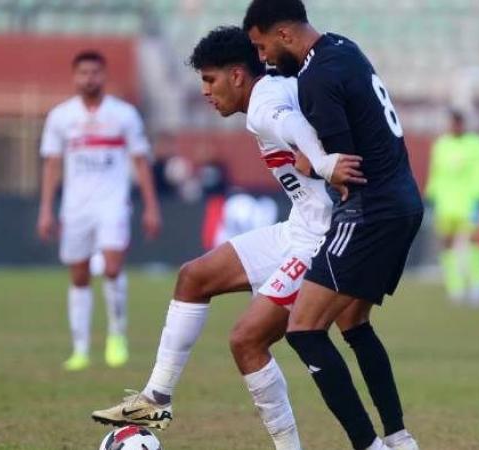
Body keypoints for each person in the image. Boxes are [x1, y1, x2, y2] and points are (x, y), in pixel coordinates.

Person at [92, 26, 365, 450]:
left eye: (209, 79)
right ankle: (154, 400)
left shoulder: (265, 103)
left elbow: (289, 121)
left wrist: (323, 163)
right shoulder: (275, 87)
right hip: (298, 227)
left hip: (320, 241)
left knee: (247, 341)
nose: (205, 91)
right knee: (194, 277)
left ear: (237, 76)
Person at [243, 1, 424, 449]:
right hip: (403, 202)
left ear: (284, 34)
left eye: (262, 45)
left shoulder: (315, 79)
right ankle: (399, 438)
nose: (263, 58)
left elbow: (343, 165)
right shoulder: (345, 48)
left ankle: (370, 445)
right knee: (353, 321)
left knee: (303, 329)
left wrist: (311, 162)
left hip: (368, 213)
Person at [37, 50, 162, 371]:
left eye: (95, 72)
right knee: (78, 275)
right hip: (76, 207)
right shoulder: (61, 117)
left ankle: (116, 335)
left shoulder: (124, 115)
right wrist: (46, 210)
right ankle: (80, 348)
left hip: (113, 204)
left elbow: (140, 161)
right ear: (74, 77)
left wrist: (151, 206)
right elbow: (51, 164)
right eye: (83, 73)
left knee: (111, 266)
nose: (89, 78)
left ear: (104, 76)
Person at [426, 110, 479, 306]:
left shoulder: (478, 145)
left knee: (473, 243)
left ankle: (478, 286)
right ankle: (455, 288)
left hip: (468, 203)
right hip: (445, 205)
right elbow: (435, 173)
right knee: (446, 245)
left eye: (458, 123)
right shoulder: (441, 145)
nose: (454, 127)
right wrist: (432, 196)